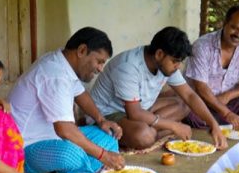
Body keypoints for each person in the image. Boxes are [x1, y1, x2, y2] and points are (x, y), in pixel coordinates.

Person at [8, 27, 125, 173]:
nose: (100, 69)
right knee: (70, 155)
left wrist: (101, 120)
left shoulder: (63, 64)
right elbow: (65, 130)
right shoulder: (54, 74)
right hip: (27, 149)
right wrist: (103, 155)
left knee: (109, 137)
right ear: (82, 50)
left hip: (55, 139)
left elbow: (80, 94)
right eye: (99, 61)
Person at [89, 26, 228, 150]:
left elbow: (189, 96)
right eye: (175, 61)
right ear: (159, 54)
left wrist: (213, 124)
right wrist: (174, 126)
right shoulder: (128, 67)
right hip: (108, 114)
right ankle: (151, 132)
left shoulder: (165, 65)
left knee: (185, 105)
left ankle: (154, 129)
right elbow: (135, 114)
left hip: (140, 109)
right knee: (144, 136)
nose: (177, 67)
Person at [184, 5, 239, 130]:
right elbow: (200, 88)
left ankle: (220, 120)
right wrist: (226, 112)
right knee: (188, 112)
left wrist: (228, 96)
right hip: (202, 101)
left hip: (228, 101)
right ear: (225, 24)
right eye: (234, 28)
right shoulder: (202, 45)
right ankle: (227, 119)